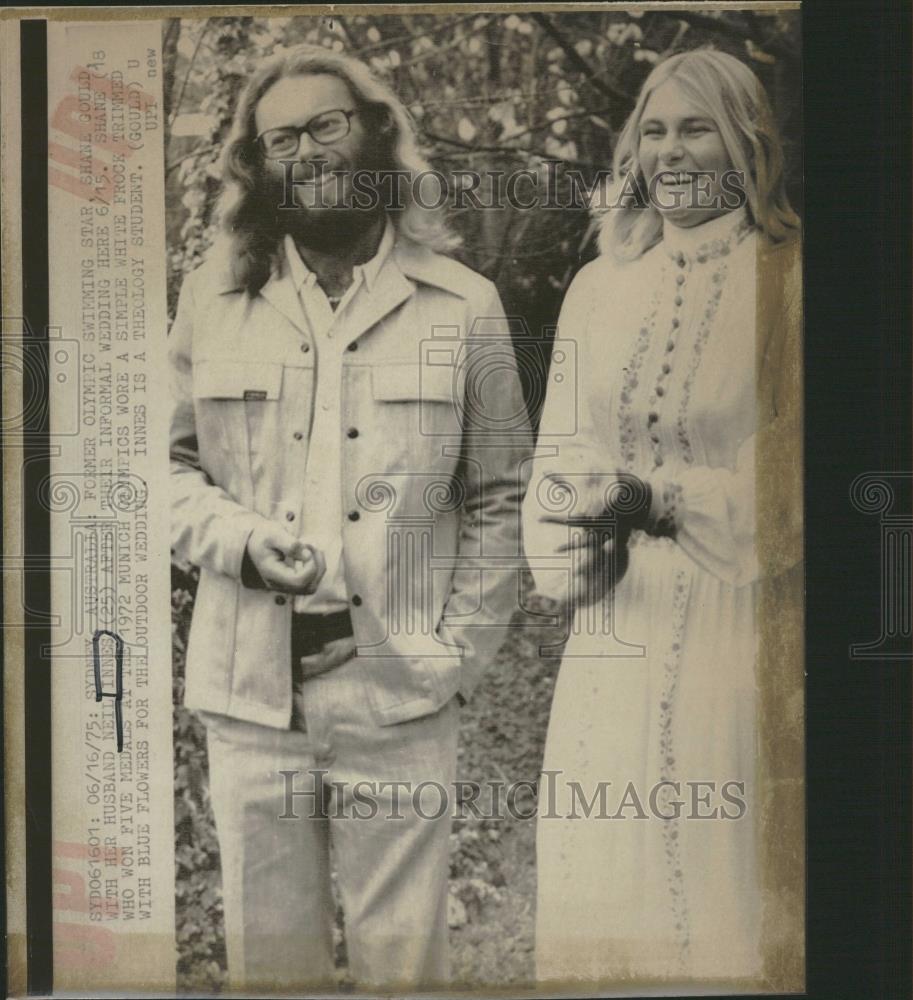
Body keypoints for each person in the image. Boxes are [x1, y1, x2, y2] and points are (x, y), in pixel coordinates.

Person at [169, 44, 530, 992]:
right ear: (257, 164)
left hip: (398, 698)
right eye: (282, 137)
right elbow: (159, 469)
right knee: (270, 971)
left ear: (375, 134)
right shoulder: (213, 299)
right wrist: (242, 542)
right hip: (250, 698)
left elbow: (500, 493)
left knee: (402, 973)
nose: (310, 151)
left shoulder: (464, 309)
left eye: (328, 124)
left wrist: (453, 656)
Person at [524, 49, 803, 989]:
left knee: (731, 882)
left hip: (748, 618)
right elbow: (557, 457)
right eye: (654, 129)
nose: (671, 150)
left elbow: (801, 467)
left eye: (697, 127)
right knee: (612, 876)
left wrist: (661, 500)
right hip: (616, 628)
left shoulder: (796, 279)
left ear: (748, 140)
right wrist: (576, 541)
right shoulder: (600, 291)